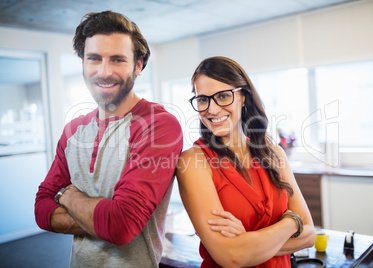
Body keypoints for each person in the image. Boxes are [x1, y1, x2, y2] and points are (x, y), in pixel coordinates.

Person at [34, 11, 183, 268]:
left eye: (117, 60)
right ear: (83, 61)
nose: (104, 72)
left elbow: (121, 227)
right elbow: (41, 210)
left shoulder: (158, 125)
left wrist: (67, 196)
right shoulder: (73, 130)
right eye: (94, 58)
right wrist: (103, 218)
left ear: (138, 65)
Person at [176, 56, 315, 267]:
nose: (211, 109)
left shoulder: (274, 153)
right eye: (203, 99)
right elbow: (231, 256)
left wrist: (248, 239)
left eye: (223, 96)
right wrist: (291, 222)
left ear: (243, 97)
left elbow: (309, 235)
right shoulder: (193, 162)